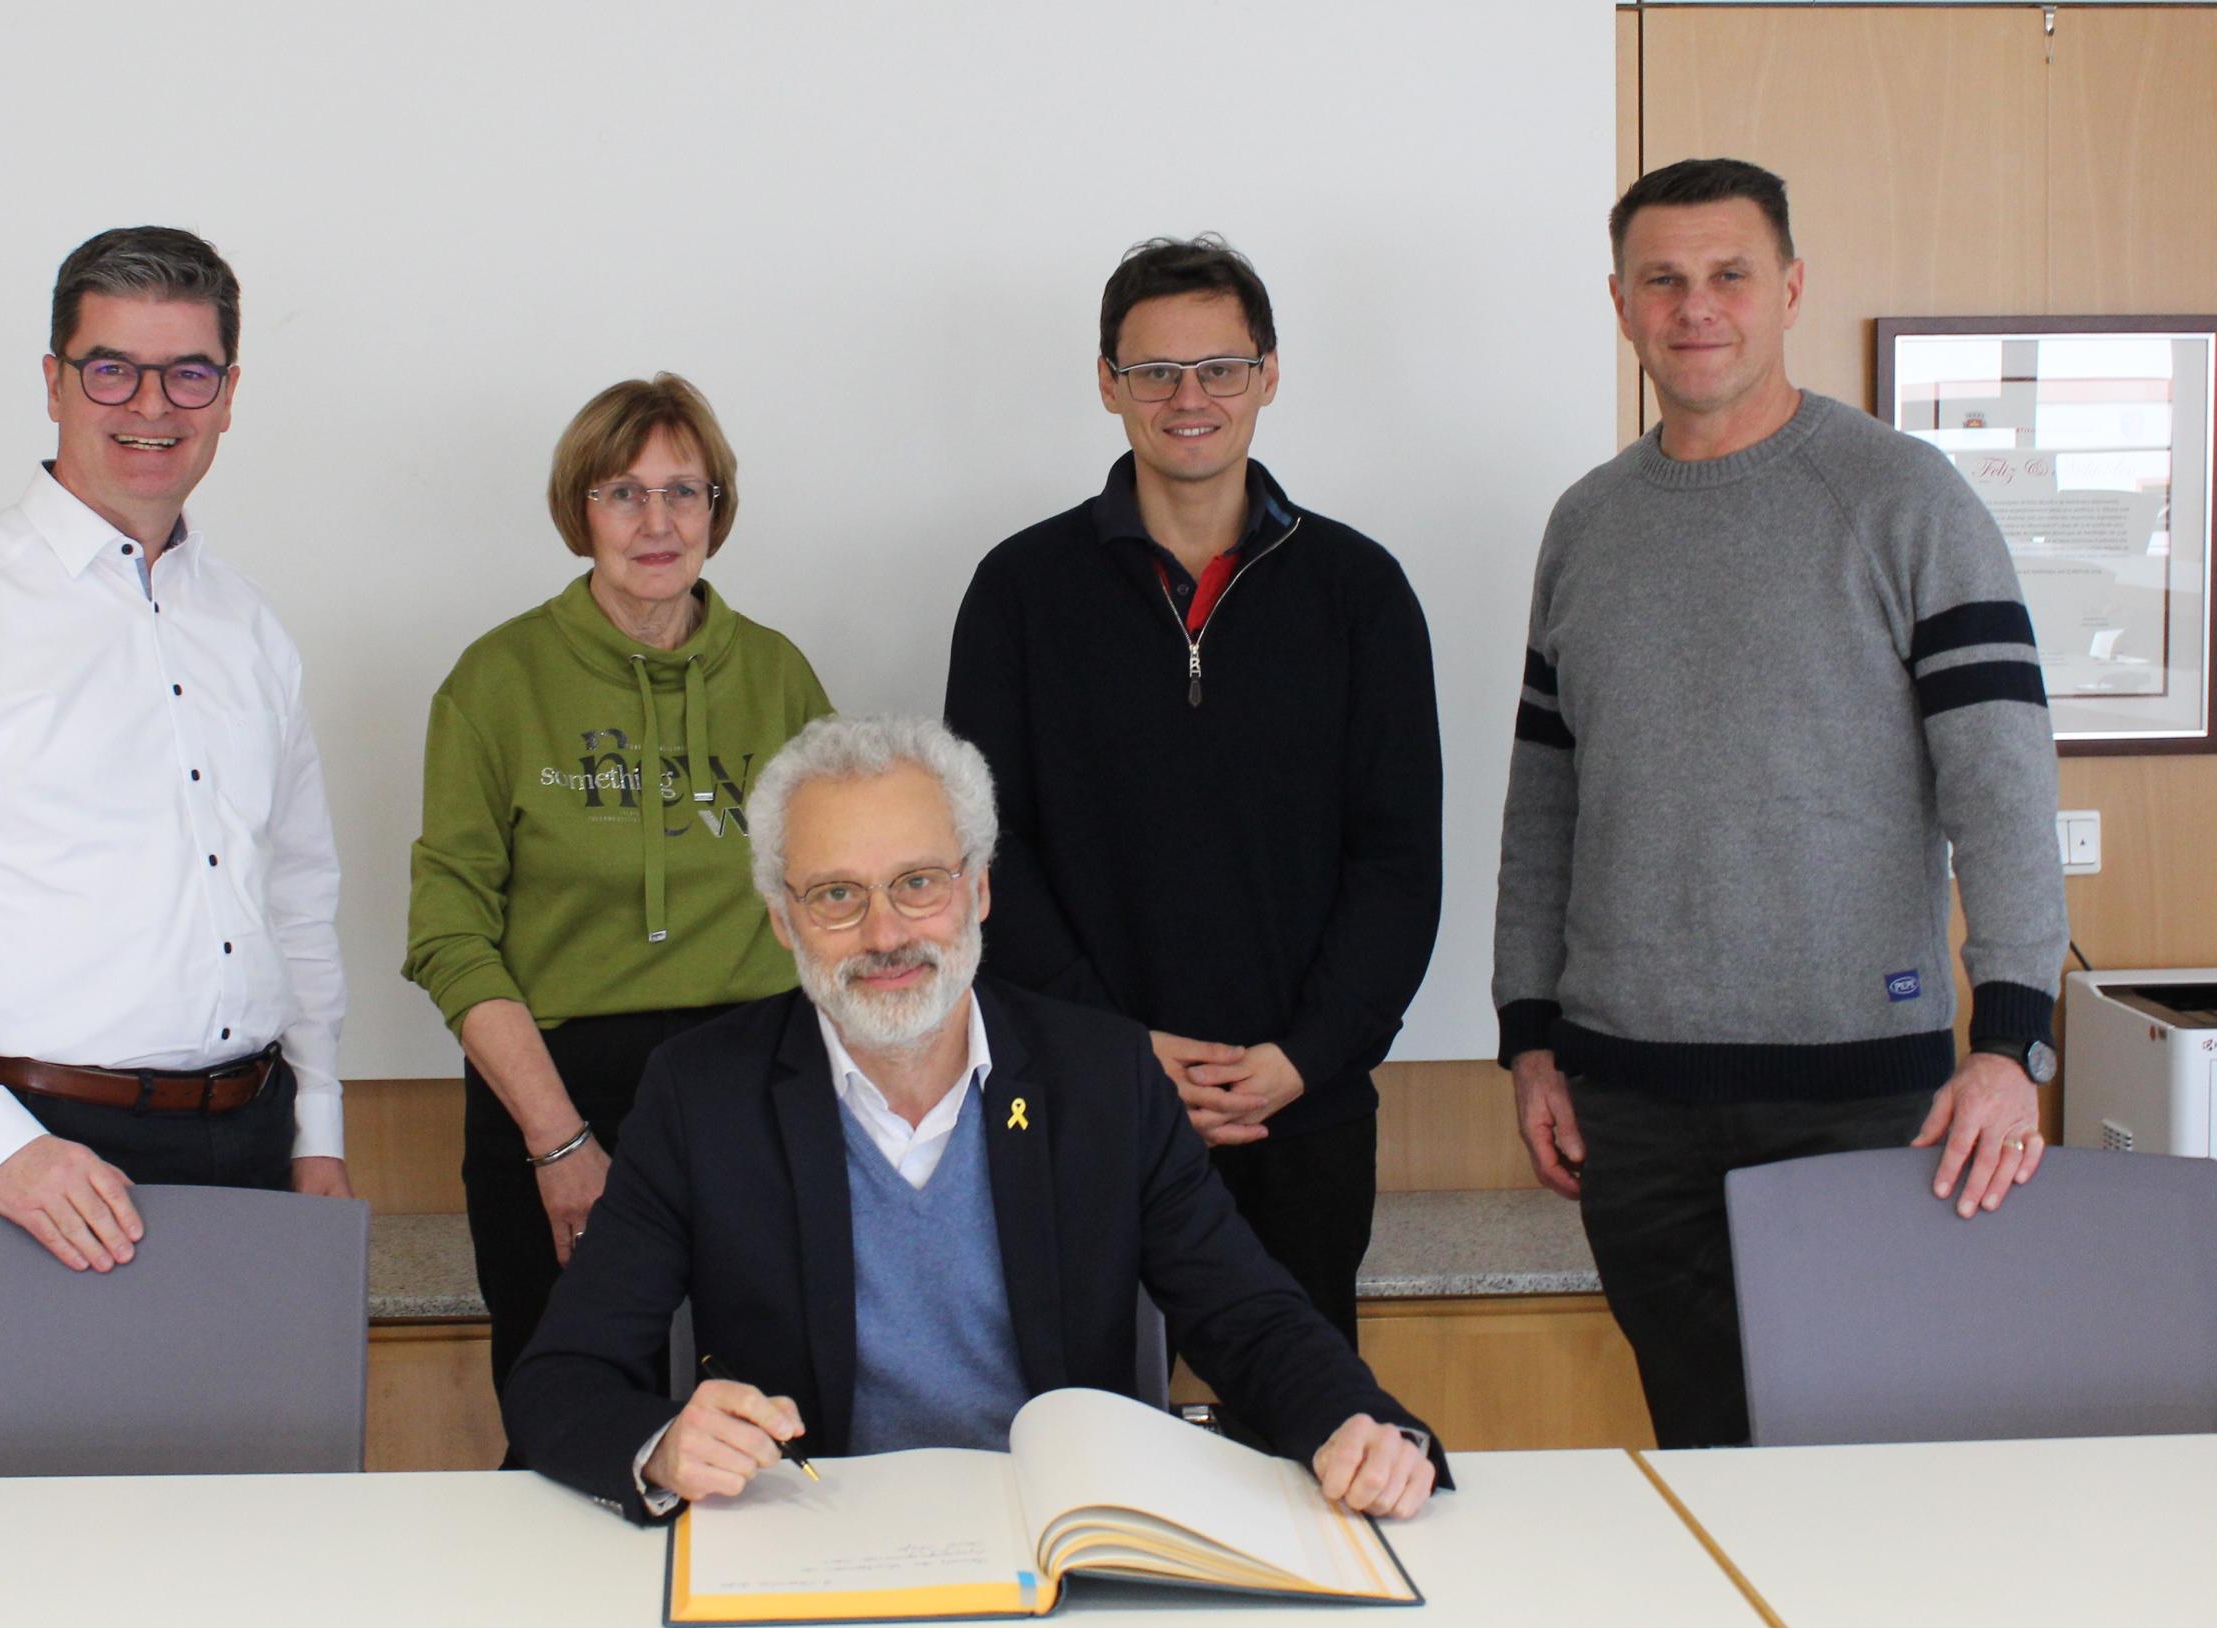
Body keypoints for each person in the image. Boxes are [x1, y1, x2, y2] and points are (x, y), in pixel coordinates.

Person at [506, 714, 1444, 1522]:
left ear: (980, 889)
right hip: (810, 1553)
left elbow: (1255, 1321)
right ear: (783, 920)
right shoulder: (700, 1094)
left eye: (919, 882)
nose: (885, 935)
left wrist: (1356, 1426)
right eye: (837, 895)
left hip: (1062, 1547)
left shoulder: (1103, 1078)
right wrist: (664, 1443)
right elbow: (559, 1380)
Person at [1491, 158, 2070, 1449]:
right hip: (1630, 1105)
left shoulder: (1905, 499)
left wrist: (2011, 1042)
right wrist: (1527, 1031)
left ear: (1791, 288)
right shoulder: (1586, 526)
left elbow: (2004, 786)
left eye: (1730, 275)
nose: (1698, 307)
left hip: (1864, 1100)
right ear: (1622, 302)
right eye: (1665, 280)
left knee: (1867, 1463)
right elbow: (1543, 807)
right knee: (1707, 1447)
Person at [0, 226, 350, 1271]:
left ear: (228, 395)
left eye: (187, 374)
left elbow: (298, 892)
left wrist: (316, 1129)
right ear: (55, 384)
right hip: (38, 1160)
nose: (152, 407)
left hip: (254, 1136)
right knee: (46, 1444)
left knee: (257, 1442)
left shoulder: (247, 626)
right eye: (113, 370)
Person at [945, 236, 1442, 1342]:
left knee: (1301, 1425)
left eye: (1219, 367)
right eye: (1155, 371)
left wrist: (1299, 1059)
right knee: (1074, 1417)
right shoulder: (1020, 589)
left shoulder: (1358, 592)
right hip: (1068, 1098)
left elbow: (1398, 860)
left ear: (1267, 374)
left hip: (1298, 1108)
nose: (1188, 398)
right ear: (1107, 383)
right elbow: (985, 851)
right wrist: (1113, 1053)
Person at [403, 374, 833, 1446]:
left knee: (772, 1415)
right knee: (574, 1409)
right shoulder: (495, 680)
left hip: (758, 1080)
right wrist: (559, 1143)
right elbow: (449, 931)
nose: (656, 523)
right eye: (622, 492)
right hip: (554, 1088)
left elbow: (838, 899)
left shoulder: (780, 677)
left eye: (684, 492)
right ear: (578, 510)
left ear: (717, 511)